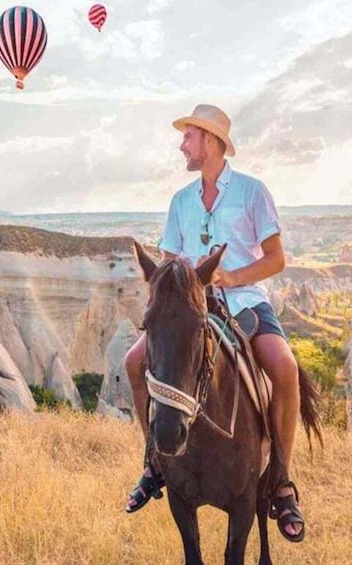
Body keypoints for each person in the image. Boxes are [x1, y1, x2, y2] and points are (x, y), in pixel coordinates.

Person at [124, 104, 306, 542]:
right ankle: (154, 459)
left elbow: (277, 259)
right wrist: (175, 283)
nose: (182, 144)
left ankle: (281, 477)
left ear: (210, 141)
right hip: (191, 309)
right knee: (134, 363)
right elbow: (169, 261)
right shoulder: (181, 201)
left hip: (244, 302)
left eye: (189, 136)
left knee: (284, 368)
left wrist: (230, 276)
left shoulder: (251, 191)